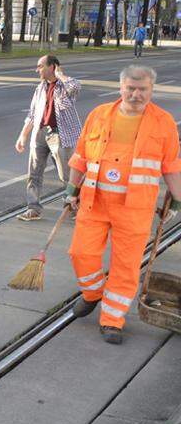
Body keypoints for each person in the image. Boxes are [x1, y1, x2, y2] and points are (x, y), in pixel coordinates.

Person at [65, 65, 181, 344]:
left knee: (125, 266)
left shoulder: (163, 123)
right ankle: (94, 294)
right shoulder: (99, 115)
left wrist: (177, 201)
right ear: (121, 88)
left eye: (142, 90)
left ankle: (112, 320)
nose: (136, 94)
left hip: (135, 209)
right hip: (94, 202)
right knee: (81, 254)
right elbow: (80, 155)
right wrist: (72, 189)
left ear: (152, 90)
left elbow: (172, 166)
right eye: (131, 88)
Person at [15, 55, 81, 221]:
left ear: (53, 67)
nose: (37, 70)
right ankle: (33, 208)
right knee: (34, 173)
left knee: (66, 175)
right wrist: (23, 136)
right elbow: (32, 114)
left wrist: (60, 76)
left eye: (41, 66)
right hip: (40, 133)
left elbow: (76, 86)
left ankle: (75, 207)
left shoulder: (64, 86)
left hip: (60, 135)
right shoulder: (40, 88)